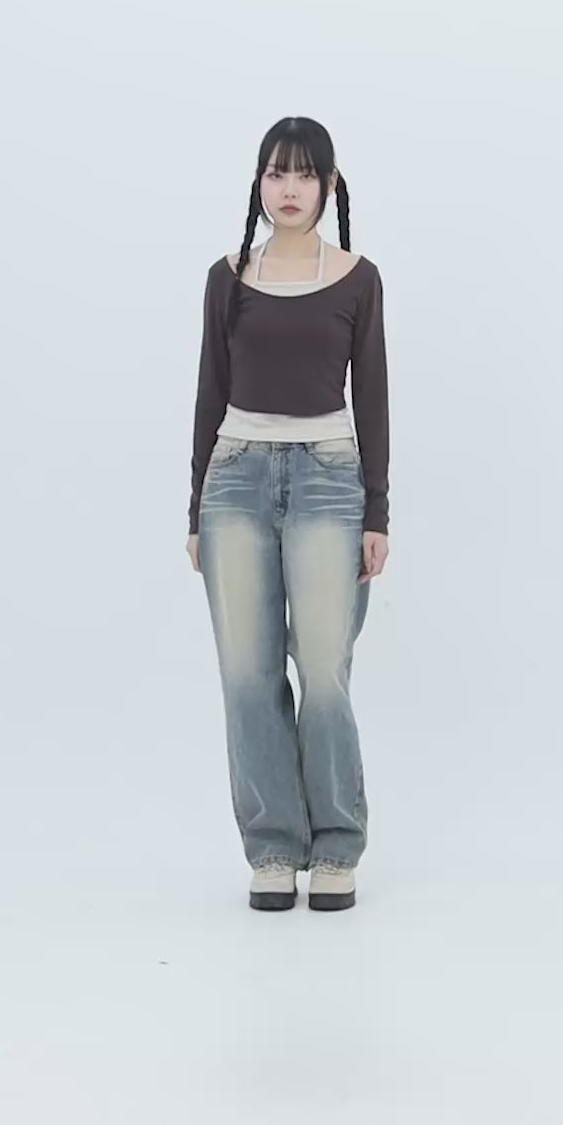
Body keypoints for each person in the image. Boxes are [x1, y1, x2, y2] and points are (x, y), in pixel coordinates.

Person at [185, 116, 390, 913]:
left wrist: (376, 513)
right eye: (276, 173)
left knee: (325, 671)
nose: (290, 188)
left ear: (330, 185)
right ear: (259, 183)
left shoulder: (358, 279)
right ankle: (273, 849)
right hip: (235, 479)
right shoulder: (228, 277)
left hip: (330, 481)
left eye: (305, 174)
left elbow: (372, 397)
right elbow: (210, 390)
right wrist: (196, 507)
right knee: (248, 674)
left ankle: (336, 845)